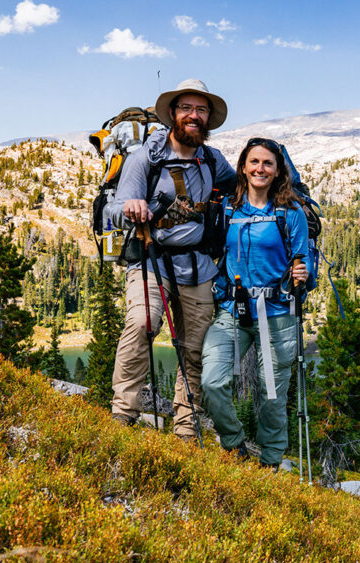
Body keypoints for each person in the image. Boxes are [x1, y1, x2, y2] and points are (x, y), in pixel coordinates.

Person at [108, 79, 236, 439]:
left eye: (201, 110)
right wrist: (133, 207)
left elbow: (238, 185)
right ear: (173, 114)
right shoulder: (142, 160)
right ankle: (122, 415)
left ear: (208, 118)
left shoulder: (211, 159)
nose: (194, 116)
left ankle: (186, 429)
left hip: (198, 267)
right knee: (143, 323)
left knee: (194, 348)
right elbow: (112, 212)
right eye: (187, 109)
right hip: (151, 259)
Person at [201, 138, 311, 467]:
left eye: (267, 163)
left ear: (279, 171)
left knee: (272, 398)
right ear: (243, 167)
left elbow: (304, 266)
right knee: (212, 381)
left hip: (277, 315)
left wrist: (302, 275)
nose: (260, 168)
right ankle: (235, 445)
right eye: (254, 162)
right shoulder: (229, 209)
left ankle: (271, 463)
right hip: (233, 312)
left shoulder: (291, 215)